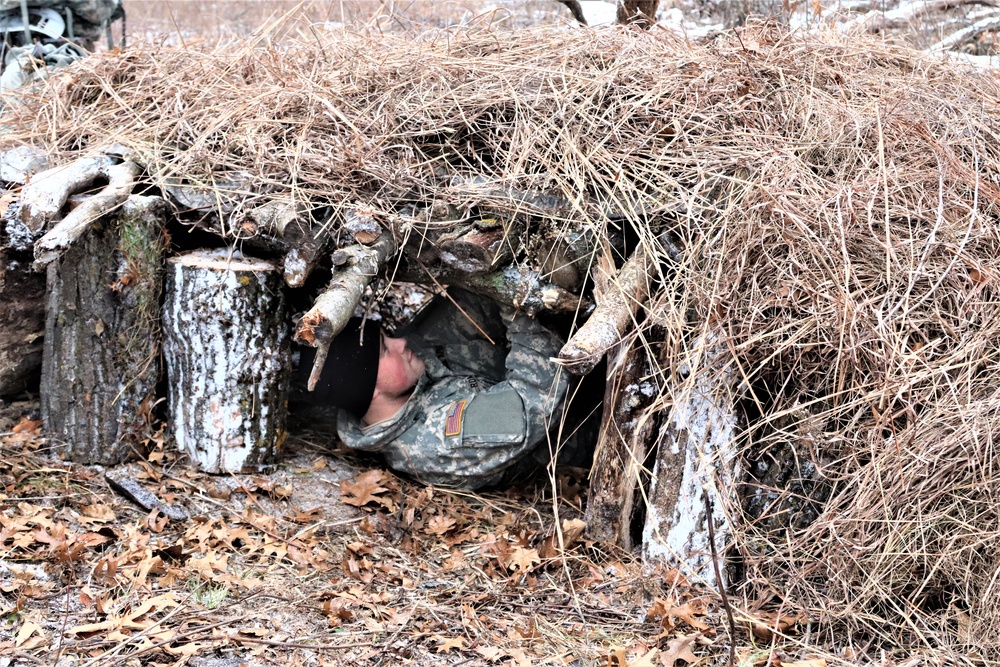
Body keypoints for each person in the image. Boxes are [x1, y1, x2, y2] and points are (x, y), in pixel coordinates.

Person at [300, 289, 569, 490]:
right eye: (385, 350)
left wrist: (508, 289)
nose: (401, 341)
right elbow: (539, 391)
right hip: (586, 415)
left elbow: (472, 297)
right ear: (370, 391)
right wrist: (522, 303)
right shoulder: (435, 442)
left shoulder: (404, 374)